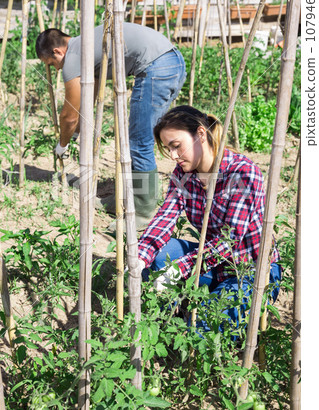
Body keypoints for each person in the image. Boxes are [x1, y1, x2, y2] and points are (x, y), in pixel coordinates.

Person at [138, 105, 281, 333]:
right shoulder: (183, 173)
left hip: (248, 271)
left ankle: (192, 318)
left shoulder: (242, 173)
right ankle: (167, 317)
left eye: (177, 146)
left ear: (201, 134)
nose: (174, 156)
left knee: (201, 330)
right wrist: (140, 256)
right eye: (168, 149)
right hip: (211, 264)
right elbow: (165, 217)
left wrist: (178, 269)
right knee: (155, 255)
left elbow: (229, 241)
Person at [35, 23, 186, 229]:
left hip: (157, 68)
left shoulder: (73, 57)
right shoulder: (87, 46)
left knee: (139, 142)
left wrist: (63, 144)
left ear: (57, 51)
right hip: (171, 62)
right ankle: (126, 199)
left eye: (52, 63)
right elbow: (87, 100)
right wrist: (77, 133)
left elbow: (69, 115)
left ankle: (142, 214)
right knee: (137, 138)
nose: (56, 68)